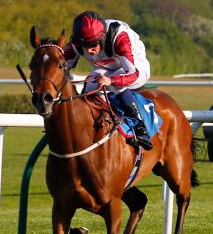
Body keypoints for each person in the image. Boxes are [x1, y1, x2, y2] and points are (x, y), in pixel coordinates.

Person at [63, 10, 154, 150]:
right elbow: (62, 67)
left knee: (115, 84)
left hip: (136, 68)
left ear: (102, 37)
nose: (89, 51)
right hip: (110, 67)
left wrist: (111, 81)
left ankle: (140, 127)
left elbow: (133, 73)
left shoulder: (120, 39)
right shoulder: (77, 43)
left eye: (93, 45)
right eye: (85, 47)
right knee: (89, 84)